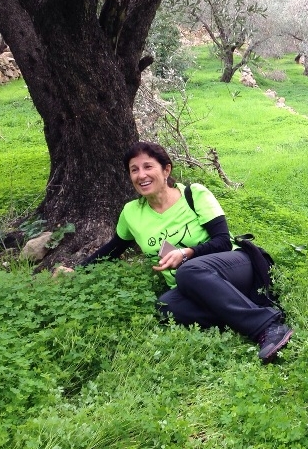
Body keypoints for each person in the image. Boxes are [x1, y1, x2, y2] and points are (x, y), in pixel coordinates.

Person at [58, 141, 292, 364]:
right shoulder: (131, 213)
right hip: (191, 286)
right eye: (134, 170)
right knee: (166, 306)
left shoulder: (194, 194)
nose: (141, 175)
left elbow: (222, 241)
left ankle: (268, 326)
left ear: (166, 170)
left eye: (148, 166)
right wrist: (77, 272)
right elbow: (114, 248)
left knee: (188, 271)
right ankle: (242, 312)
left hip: (234, 266)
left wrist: (186, 253)